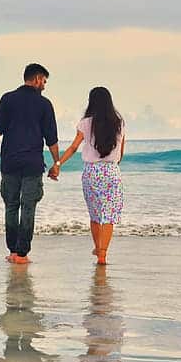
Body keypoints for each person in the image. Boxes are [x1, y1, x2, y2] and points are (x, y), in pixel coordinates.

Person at [0, 63, 60, 264]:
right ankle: (22, 253)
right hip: (32, 164)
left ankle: (12, 251)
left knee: (11, 206)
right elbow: (51, 138)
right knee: (28, 207)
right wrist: (57, 162)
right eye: (43, 81)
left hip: (9, 162)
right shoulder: (45, 105)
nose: (44, 85)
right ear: (36, 79)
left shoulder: (7, 99)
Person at [54, 87, 125, 264]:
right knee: (109, 216)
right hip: (112, 172)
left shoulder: (85, 123)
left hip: (92, 173)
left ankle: (97, 248)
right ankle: (103, 254)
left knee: (95, 215)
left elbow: (73, 148)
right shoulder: (119, 123)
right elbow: (121, 153)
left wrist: (58, 164)